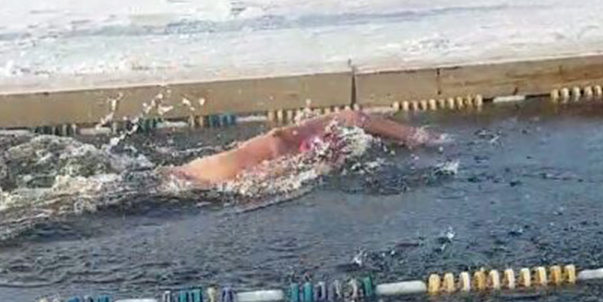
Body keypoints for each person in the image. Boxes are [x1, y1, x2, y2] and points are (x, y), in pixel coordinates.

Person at [169, 108, 437, 186]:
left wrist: (411, 134)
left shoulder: (289, 142)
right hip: (199, 180)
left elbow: (354, 118)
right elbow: (353, 118)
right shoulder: (283, 143)